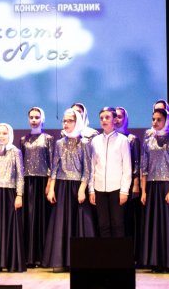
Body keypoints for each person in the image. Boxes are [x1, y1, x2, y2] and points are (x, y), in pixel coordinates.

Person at [43, 107, 95, 271]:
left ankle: (79, 260)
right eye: (64, 121)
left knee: (79, 222)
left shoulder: (84, 143)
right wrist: (52, 188)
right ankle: (60, 260)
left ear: (77, 122)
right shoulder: (59, 143)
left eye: (69, 121)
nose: (65, 124)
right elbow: (54, 167)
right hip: (62, 187)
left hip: (77, 187)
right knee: (61, 223)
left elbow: (87, 169)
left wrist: (82, 189)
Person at [139, 106, 169, 272]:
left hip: (167, 185)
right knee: (154, 225)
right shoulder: (148, 139)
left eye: (159, 119)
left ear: (166, 120)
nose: (155, 122)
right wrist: (143, 190)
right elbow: (144, 167)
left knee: (167, 225)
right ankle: (155, 261)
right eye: (153, 119)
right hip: (152, 186)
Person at [0, 122, 26, 273]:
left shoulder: (15, 151)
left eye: (4, 133)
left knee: (9, 227)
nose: (1, 136)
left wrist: (19, 195)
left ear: (10, 134)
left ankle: (9, 261)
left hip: (9, 194)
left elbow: (20, 175)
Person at [88, 107, 132, 237]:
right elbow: (92, 166)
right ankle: (105, 251)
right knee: (103, 225)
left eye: (107, 117)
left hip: (117, 189)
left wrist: (124, 190)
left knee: (117, 223)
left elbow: (127, 167)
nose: (104, 120)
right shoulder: (95, 141)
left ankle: (119, 250)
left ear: (114, 119)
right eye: (101, 118)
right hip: (99, 188)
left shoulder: (123, 140)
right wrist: (91, 189)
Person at [19, 106, 54, 268]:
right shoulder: (23, 139)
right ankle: (29, 257)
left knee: (41, 218)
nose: (34, 120)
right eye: (31, 117)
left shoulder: (48, 139)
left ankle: (41, 256)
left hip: (42, 182)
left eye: (37, 117)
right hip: (28, 182)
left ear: (42, 119)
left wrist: (49, 182)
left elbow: (52, 162)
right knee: (29, 218)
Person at [115, 106, 143, 262]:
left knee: (127, 219)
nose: (117, 119)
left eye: (120, 116)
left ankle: (130, 255)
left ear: (126, 119)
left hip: (129, 183)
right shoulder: (109, 138)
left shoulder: (132, 139)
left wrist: (136, 183)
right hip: (113, 183)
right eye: (115, 116)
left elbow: (137, 163)